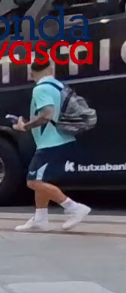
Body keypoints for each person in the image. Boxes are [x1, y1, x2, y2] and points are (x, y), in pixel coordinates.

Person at [13, 61, 92, 231]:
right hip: (61, 139)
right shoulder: (58, 86)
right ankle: (40, 218)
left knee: (33, 181)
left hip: (51, 143)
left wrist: (24, 126)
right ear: (51, 69)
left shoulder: (41, 89)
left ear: (32, 72)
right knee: (41, 180)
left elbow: (47, 114)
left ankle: (74, 208)